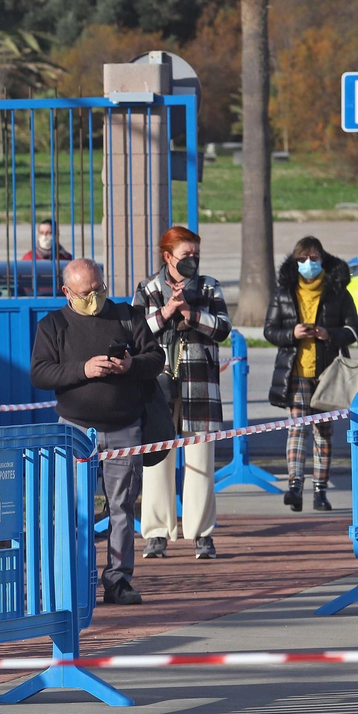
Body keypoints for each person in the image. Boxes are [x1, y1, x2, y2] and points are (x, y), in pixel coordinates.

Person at [32, 259, 165, 605]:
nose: (94, 296)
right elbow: (41, 374)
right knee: (76, 509)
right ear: (66, 292)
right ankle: (79, 579)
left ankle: (118, 580)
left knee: (121, 506)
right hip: (75, 430)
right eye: (85, 293)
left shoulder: (127, 316)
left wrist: (130, 365)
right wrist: (84, 369)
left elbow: (157, 359)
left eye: (99, 289)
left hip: (125, 427)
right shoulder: (53, 325)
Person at [134, 226, 231, 561]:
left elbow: (222, 328)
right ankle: (157, 533)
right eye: (185, 255)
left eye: (196, 255)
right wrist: (166, 312)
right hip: (158, 385)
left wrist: (192, 314)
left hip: (200, 384)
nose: (192, 260)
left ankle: (201, 534)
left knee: (201, 461)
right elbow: (138, 332)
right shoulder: (148, 288)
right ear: (167, 256)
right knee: (157, 459)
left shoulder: (209, 286)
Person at [262, 237, 358, 512]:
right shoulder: (284, 292)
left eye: (314, 258)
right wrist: (291, 334)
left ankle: (320, 490)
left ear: (323, 259)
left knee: (323, 432)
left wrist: (328, 334)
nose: (308, 264)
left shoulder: (338, 291)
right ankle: (295, 486)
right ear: (295, 262)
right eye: (302, 259)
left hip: (327, 374)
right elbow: (269, 331)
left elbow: (354, 330)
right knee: (297, 429)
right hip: (295, 373)